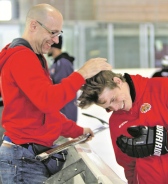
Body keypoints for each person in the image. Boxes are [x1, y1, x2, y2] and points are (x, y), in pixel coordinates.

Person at [0, 3, 111, 184]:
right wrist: (81, 74)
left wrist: (77, 130)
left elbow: (46, 114)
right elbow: (48, 101)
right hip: (23, 162)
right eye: (53, 33)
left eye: (58, 34)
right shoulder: (22, 57)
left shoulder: (35, 58)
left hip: (29, 158)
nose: (56, 41)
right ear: (34, 25)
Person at [77, 70, 168, 184]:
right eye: (108, 107)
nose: (116, 108)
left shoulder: (164, 87)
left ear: (118, 81)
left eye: (113, 99)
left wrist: (165, 141)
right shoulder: (115, 122)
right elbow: (127, 164)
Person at [48, 35, 77, 122]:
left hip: (65, 113)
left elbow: (62, 89)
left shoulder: (63, 63)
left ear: (53, 47)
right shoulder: (56, 63)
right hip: (60, 111)